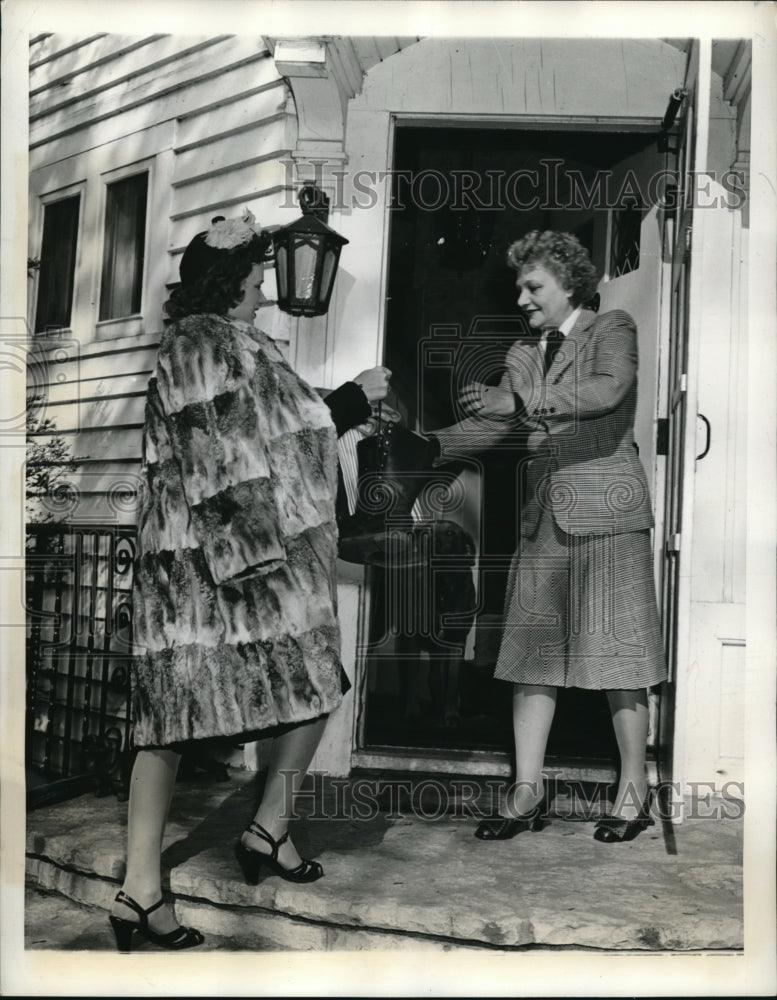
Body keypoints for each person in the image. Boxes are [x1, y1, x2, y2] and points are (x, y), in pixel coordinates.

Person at [109, 210, 391, 952]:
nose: (267, 286)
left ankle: (268, 827)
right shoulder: (200, 341)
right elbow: (222, 453)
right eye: (259, 273)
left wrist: (344, 407)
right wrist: (351, 401)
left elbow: (275, 434)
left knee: (312, 683)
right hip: (203, 570)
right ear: (230, 278)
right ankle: (141, 888)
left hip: (238, 560)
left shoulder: (235, 342)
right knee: (168, 721)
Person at [430, 230, 667, 844]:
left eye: (534, 286)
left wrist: (519, 399)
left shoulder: (611, 328)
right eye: (519, 288)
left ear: (570, 284)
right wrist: (425, 446)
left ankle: (634, 792)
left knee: (619, 658)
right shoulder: (520, 352)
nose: (524, 299)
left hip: (609, 517)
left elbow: (604, 390)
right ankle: (526, 793)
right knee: (531, 659)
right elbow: (492, 425)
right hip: (545, 521)